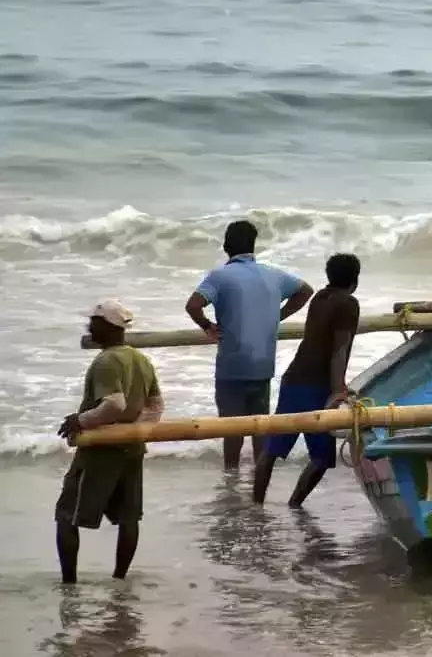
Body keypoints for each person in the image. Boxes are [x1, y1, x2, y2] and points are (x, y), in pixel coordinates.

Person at [185, 220, 313, 471]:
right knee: (260, 427)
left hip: (232, 366)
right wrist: (277, 315)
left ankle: (231, 480)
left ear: (226, 246)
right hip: (263, 365)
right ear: (253, 246)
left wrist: (207, 326)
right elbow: (306, 290)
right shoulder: (274, 275)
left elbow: (193, 305)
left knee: (231, 430)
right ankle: (259, 481)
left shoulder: (220, 276)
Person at [55, 301, 164, 584]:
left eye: (93, 322)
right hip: (132, 448)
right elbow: (156, 405)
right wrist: (135, 432)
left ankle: (69, 584)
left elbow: (114, 404)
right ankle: (119, 580)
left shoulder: (106, 361)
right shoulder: (141, 359)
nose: (88, 326)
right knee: (128, 517)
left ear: (106, 326)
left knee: (67, 514)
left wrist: (81, 420)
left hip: (100, 451)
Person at [253, 253, 362, 507]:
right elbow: (339, 349)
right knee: (322, 457)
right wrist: (338, 390)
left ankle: (256, 505)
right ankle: (294, 505)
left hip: (293, 380)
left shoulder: (320, 298)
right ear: (355, 279)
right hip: (316, 386)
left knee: (272, 449)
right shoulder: (348, 303)